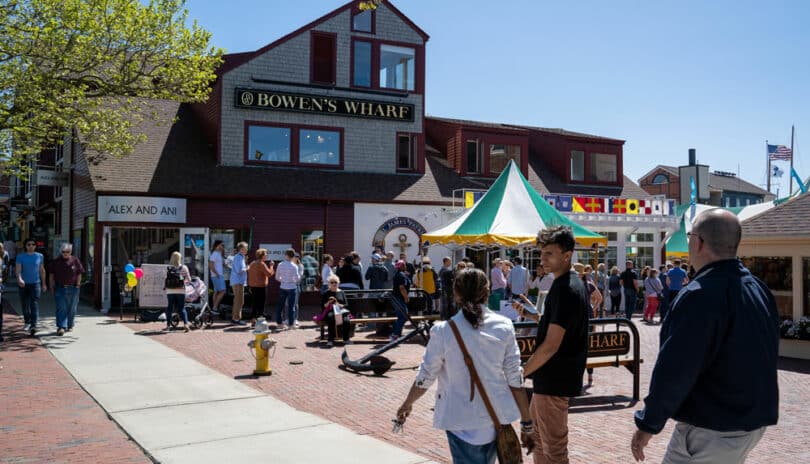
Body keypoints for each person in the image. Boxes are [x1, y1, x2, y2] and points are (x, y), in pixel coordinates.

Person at [631, 209, 779, 463]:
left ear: (697, 242)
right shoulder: (757, 289)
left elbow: (676, 368)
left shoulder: (700, 294)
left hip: (712, 426)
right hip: (750, 421)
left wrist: (649, 423)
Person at [396, 268, 535, 463]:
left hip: (459, 420)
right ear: (487, 292)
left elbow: (426, 375)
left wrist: (407, 403)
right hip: (496, 418)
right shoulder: (504, 326)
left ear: (456, 293)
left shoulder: (443, 331)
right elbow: (515, 378)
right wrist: (527, 423)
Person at [517, 226, 589, 464]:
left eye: (549, 253)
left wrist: (522, 372)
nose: (542, 259)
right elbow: (556, 323)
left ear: (566, 255)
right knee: (538, 441)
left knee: (554, 450)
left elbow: (551, 344)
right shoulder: (568, 284)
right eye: (541, 253)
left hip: (555, 380)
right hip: (549, 380)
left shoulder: (566, 288)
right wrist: (531, 316)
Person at [49, 243, 84, 335]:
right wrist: (51, 286)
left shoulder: (75, 260)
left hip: (73, 288)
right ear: (61, 252)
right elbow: (51, 275)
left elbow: (79, 273)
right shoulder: (56, 261)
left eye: (67, 252)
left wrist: (78, 284)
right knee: (61, 307)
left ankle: (70, 325)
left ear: (71, 252)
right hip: (60, 288)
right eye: (63, 252)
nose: (65, 253)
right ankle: (61, 327)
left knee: (72, 308)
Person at [16, 238, 47, 335]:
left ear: (35, 246)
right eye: (28, 244)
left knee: (34, 303)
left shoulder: (39, 256)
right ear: (25, 246)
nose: (31, 246)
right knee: (25, 304)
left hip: (35, 283)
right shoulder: (20, 256)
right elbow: (18, 271)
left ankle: (34, 325)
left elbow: (42, 270)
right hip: (24, 284)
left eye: (33, 244)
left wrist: (44, 283)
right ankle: (27, 321)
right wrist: (19, 279)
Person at [318, 275, 351, 347]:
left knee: (346, 320)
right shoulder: (326, 293)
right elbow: (323, 306)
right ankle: (330, 340)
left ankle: (346, 339)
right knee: (330, 317)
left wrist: (337, 303)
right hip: (331, 311)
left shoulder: (341, 292)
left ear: (338, 283)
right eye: (332, 282)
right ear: (329, 284)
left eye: (335, 282)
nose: (334, 284)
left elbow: (346, 305)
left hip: (341, 311)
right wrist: (329, 302)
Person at [247, 248, 274, 327]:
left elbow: (249, 272)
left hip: (253, 286)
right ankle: (260, 321)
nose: (267, 256)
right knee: (261, 304)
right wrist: (271, 266)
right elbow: (269, 274)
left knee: (255, 304)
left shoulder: (252, 263)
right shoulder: (261, 264)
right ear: (262, 255)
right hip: (261, 287)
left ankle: (253, 320)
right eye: (265, 254)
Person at [164, 251, 190, 332]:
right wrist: (182, 283)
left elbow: (165, 279)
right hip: (180, 290)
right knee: (182, 308)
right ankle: (186, 324)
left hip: (170, 290)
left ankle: (168, 326)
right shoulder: (184, 267)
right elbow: (189, 279)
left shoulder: (168, 267)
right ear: (179, 259)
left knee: (169, 308)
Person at [275, 248, 300, 331]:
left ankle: (279, 323)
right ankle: (290, 324)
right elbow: (297, 279)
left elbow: (277, 277)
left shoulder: (280, 264)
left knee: (280, 306)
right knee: (291, 307)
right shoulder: (294, 266)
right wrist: (291, 280)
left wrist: (283, 280)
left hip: (283, 286)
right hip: (292, 287)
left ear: (286, 255)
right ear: (293, 256)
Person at [390, 260, 412, 341]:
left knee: (402, 316)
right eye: (404, 265)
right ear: (402, 266)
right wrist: (406, 297)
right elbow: (402, 288)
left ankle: (397, 334)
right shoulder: (400, 275)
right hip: (398, 298)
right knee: (403, 316)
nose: (405, 266)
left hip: (398, 298)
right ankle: (395, 334)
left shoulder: (401, 274)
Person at [228, 242, 249, 325]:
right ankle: (236, 319)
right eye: (245, 248)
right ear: (241, 249)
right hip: (238, 282)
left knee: (239, 301)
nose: (246, 250)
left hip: (239, 281)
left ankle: (235, 318)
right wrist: (247, 268)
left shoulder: (240, 257)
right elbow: (239, 270)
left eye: (246, 248)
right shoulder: (238, 257)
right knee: (239, 301)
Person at [209, 240, 226, 314]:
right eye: (222, 245)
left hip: (217, 275)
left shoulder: (218, 253)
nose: (223, 247)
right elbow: (210, 265)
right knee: (223, 291)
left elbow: (217, 264)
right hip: (217, 275)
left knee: (216, 291)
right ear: (217, 245)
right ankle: (215, 308)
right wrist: (216, 273)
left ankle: (214, 308)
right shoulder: (215, 254)